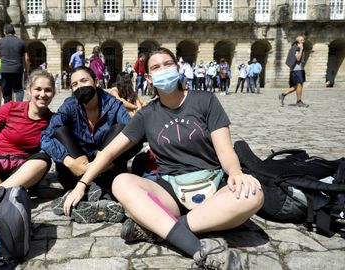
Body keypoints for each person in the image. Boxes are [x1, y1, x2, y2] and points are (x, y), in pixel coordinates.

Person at [62, 48, 264, 269]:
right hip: (171, 190)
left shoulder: (205, 100)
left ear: (177, 68)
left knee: (254, 195)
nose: (163, 70)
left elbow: (225, 150)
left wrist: (235, 173)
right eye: (156, 67)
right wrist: (81, 185)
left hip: (214, 184)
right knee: (121, 181)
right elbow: (109, 152)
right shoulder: (147, 114)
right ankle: (196, 248)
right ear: (148, 77)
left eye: (168, 64)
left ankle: (161, 228)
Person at [41, 66, 141, 223]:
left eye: (84, 80)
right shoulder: (70, 105)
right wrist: (69, 162)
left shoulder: (113, 104)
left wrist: (107, 162)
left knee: (122, 129)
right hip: (75, 170)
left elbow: (136, 137)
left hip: (107, 170)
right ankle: (101, 197)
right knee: (60, 131)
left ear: (96, 82)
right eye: (74, 84)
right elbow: (46, 136)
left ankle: (82, 198)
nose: (79, 86)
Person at [0, 24, 30, 103]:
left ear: (5, 32)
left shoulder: (0, 42)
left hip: (5, 69)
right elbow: (27, 58)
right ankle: (18, 106)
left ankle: (8, 107)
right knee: (18, 89)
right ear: (14, 31)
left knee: (6, 90)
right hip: (18, 69)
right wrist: (27, 71)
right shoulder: (21, 42)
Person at [279, 35, 309, 107]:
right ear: (298, 41)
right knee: (299, 85)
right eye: (301, 40)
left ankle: (283, 95)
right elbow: (298, 58)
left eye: (303, 40)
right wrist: (301, 49)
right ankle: (299, 101)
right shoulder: (296, 48)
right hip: (297, 70)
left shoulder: (296, 47)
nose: (303, 41)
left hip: (299, 69)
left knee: (297, 86)